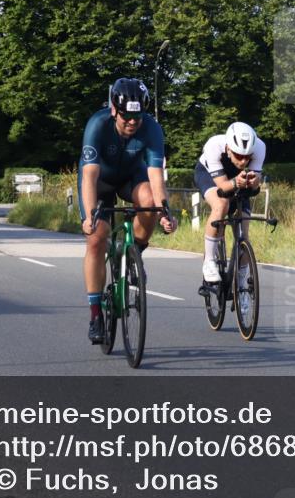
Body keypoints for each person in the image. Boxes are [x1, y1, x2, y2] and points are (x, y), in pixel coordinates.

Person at [79, 77, 177, 344]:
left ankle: (132, 254)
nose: (132, 122)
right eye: (126, 116)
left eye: (138, 116)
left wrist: (166, 213)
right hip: (99, 181)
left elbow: (156, 177)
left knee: (148, 199)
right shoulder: (98, 125)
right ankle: (96, 314)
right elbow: (89, 176)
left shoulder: (152, 129)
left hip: (130, 179)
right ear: (114, 110)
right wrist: (89, 216)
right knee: (97, 237)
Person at [194, 122, 266, 283]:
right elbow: (223, 186)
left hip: (238, 179)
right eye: (239, 156)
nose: (243, 162)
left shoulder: (260, 147)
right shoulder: (214, 145)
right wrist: (235, 183)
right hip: (209, 175)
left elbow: (256, 180)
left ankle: (241, 284)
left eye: (248, 157)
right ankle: (209, 261)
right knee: (221, 204)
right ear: (228, 149)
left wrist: (253, 182)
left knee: (243, 234)